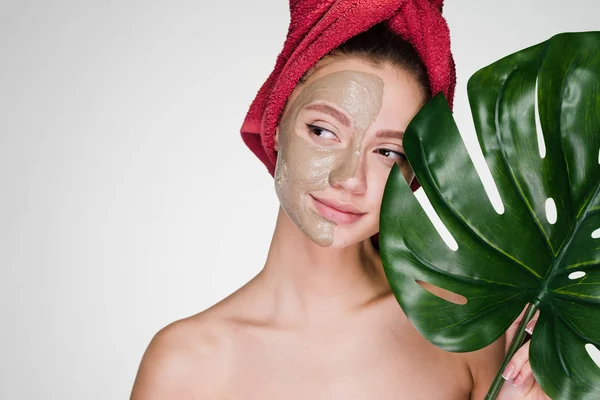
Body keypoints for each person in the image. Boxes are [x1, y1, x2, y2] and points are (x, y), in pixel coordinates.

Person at [130, 1, 549, 399]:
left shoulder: (466, 327)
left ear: (414, 171)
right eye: (324, 131)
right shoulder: (186, 363)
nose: (350, 178)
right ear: (275, 122)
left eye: (388, 153)